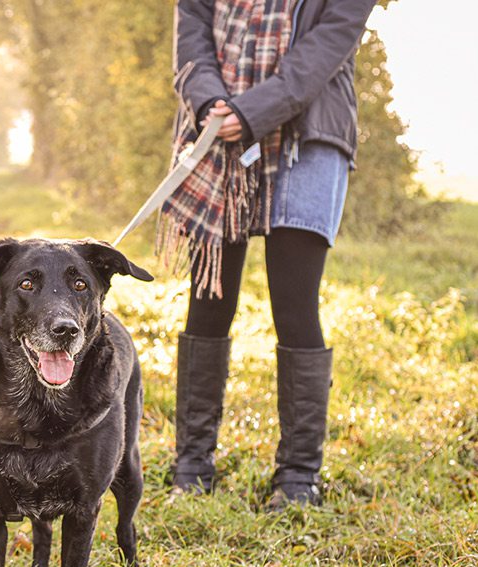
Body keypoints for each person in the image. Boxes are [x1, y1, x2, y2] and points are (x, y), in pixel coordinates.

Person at [160, 0, 377, 509]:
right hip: (215, 132)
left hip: (308, 133)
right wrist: (212, 103)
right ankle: (192, 466)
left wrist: (251, 111)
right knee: (208, 298)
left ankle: (298, 479)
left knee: (295, 304)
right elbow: (191, 36)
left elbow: (326, 48)